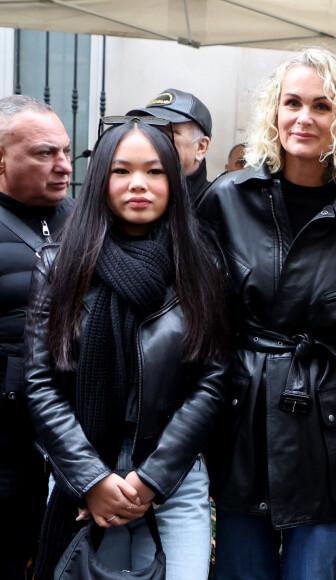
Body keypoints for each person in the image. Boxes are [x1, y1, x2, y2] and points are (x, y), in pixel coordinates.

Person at [198, 47, 336, 580]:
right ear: (275, 109)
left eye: (322, 106)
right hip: (243, 417)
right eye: (293, 102)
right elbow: (198, 326)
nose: (304, 118)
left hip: (325, 425)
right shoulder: (227, 199)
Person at [24, 117, 228, 580]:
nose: (139, 184)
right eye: (122, 171)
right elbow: (41, 382)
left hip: (172, 475)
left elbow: (212, 380)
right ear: (101, 179)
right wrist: (92, 480)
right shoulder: (61, 264)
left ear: (174, 181)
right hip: (85, 473)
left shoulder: (201, 263)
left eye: (155, 171)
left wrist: (151, 479)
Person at [0, 94, 74, 579]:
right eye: (44, 153)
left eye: (66, 151)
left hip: (75, 439)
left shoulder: (88, 218)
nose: (63, 165)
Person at [127, 88, 213, 207]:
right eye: (149, 131)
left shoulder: (215, 208)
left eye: (168, 133)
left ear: (201, 147)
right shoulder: (129, 198)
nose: (154, 140)